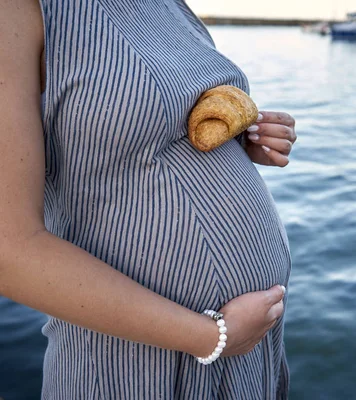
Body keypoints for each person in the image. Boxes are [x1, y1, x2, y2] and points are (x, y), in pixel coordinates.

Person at [0, 0, 297, 398]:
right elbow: (9, 249)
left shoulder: (170, 5)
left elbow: (157, 135)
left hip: (249, 349)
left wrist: (244, 141)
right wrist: (212, 337)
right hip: (136, 366)